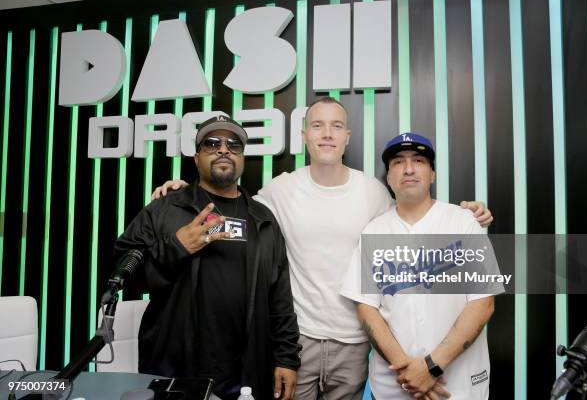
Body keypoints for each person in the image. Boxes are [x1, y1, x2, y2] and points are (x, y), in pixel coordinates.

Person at [152, 97, 494, 399]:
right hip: (298, 340)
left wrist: (468, 217)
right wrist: (186, 192)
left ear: (347, 136)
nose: (327, 133)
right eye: (317, 125)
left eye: (336, 126)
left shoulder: (374, 191)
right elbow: (232, 207)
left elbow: (412, 223)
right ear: (304, 137)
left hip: (355, 341)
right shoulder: (280, 190)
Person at [114, 115, 300, 400]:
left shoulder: (263, 219)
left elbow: (280, 297)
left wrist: (286, 358)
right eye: (212, 143)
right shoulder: (165, 209)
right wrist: (177, 246)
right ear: (196, 157)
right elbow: (124, 274)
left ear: (242, 157)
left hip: (246, 372)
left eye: (233, 144)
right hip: (177, 370)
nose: (223, 149)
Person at [340, 132, 501, 400]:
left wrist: (431, 366)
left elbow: (482, 303)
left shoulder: (463, 223)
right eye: (398, 162)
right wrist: (411, 374)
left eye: (419, 160)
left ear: (432, 174)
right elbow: (367, 309)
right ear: (389, 177)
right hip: (395, 385)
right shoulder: (374, 232)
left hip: (458, 384)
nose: (409, 168)